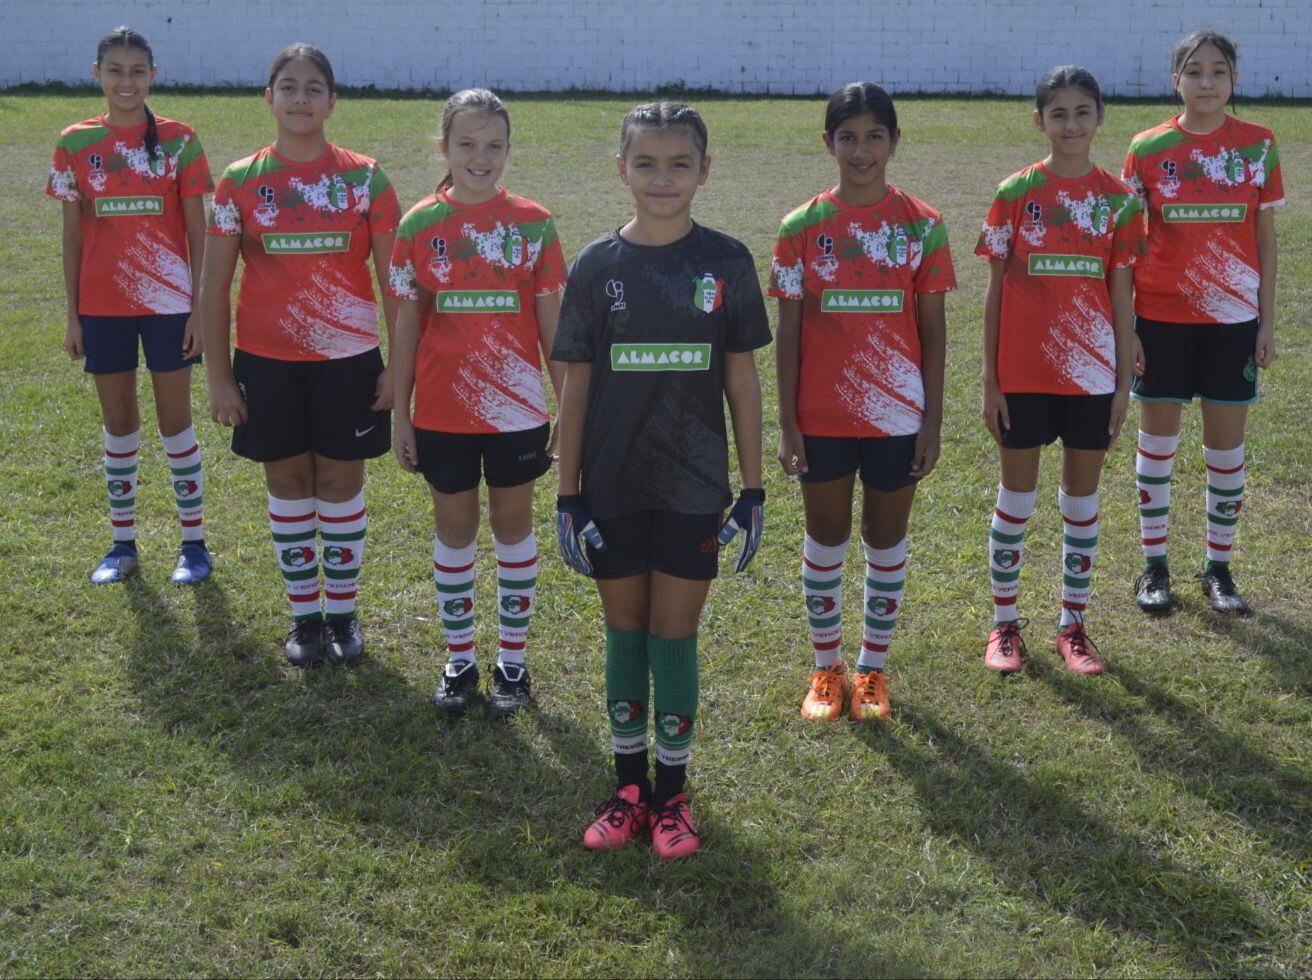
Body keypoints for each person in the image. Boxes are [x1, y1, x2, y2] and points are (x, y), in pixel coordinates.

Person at [553, 103, 769, 859]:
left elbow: (742, 382)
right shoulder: (595, 267)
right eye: (646, 162)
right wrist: (568, 493)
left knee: (674, 639)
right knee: (624, 636)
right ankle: (628, 790)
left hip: (693, 488)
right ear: (622, 170)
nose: (663, 178)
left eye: (680, 163)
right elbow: (575, 388)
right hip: (611, 487)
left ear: (705, 171)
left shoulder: (728, 263)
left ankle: (673, 798)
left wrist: (753, 487)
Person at [200, 43, 400, 667]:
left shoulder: (366, 178)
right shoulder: (238, 181)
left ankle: (342, 613)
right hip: (266, 362)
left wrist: (399, 367)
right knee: (287, 480)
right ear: (269, 98)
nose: (301, 98)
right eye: (288, 86)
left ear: (332, 102)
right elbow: (213, 287)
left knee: (340, 480)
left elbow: (398, 285)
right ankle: (304, 618)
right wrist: (218, 376)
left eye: (314, 88)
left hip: (350, 361)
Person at [771, 82, 953, 723]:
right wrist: (788, 421)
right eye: (848, 136)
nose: (861, 149)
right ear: (829, 143)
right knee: (826, 536)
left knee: (884, 535)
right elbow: (788, 333)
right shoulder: (801, 228)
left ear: (894, 141)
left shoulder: (922, 225)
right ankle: (826, 669)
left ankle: (872, 668)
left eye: (875, 135)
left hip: (898, 416)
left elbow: (932, 331)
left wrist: (931, 419)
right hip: (821, 417)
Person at [389, 89, 566, 716]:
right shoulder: (417, 226)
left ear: (508, 150)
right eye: (466, 143)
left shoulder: (534, 224)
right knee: (455, 529)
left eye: (493, 145)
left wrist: (567, 409)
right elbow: (407, 327)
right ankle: (459, 659)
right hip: (442, 412)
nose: (480, 156)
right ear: (444, 147)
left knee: (513, 527)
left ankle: (512, 666)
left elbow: (554, 331)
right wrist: (400, 412)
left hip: (518, 411)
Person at [976, 66, 1145, 675]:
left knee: (1081, 501)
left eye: (1082, 112)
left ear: (1100, 117)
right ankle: (1003, 625)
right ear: (1039, 120)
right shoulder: (1014, 193)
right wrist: (991, 380)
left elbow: (1123, 297)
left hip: (1093, 376)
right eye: (1058, 113)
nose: (1070, 124)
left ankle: (1073, 625)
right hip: (1022, 375)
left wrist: (1123, 384)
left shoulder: (1121, 201)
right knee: (1015, 500)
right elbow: (994, 294)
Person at [1122, 29, 1284, 616]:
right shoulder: (1146, 148)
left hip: (1233, 318)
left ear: (1233, 80)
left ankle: (1219, 569)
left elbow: (1265, 238)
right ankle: (1154, 566)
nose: (1207, 82)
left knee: (1225, 449)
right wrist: (1130, 325)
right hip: (1160, 316)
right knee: (1157, 444)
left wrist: (1265, 321)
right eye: (1194, 71)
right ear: (1176, 80)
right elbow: (1130, 243)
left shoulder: (1258, 145)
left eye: (1218, 71)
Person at [48, 26, 213, 585]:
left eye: (137, 71)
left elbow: (199, 231)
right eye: (114, 71)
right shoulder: (74, 142)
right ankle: (122, 544)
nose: (126, 81)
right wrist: (72, 314)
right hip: (103, 306)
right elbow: (72, 237)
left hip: (170, 305)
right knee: (118, 422)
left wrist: (197, 311)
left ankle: (193, 545)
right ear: (97, 75)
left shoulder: (181, 139)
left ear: (153, 76)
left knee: (175, 421)